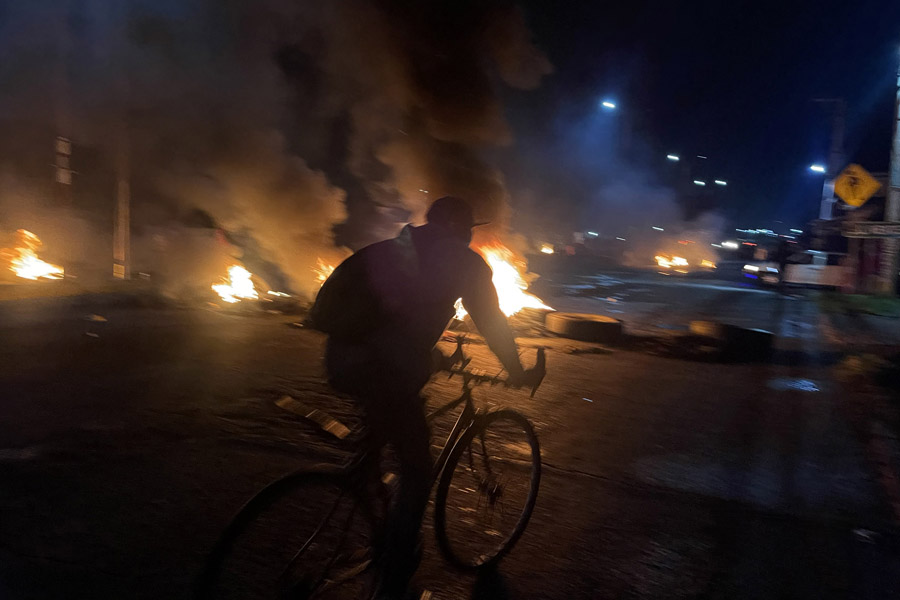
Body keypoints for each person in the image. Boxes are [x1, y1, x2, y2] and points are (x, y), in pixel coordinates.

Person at [310, 196, 541, 599]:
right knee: (417, 471)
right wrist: (517, 371)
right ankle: (395, 574)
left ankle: (367, 489)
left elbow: (391, 322)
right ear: (456, 226)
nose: (470, 234)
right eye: (468, 225)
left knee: (385, 426)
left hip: (341, 362)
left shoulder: (393, 248)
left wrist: (431, 357)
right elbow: (490, 320)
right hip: (383, 371)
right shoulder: (464, 262)